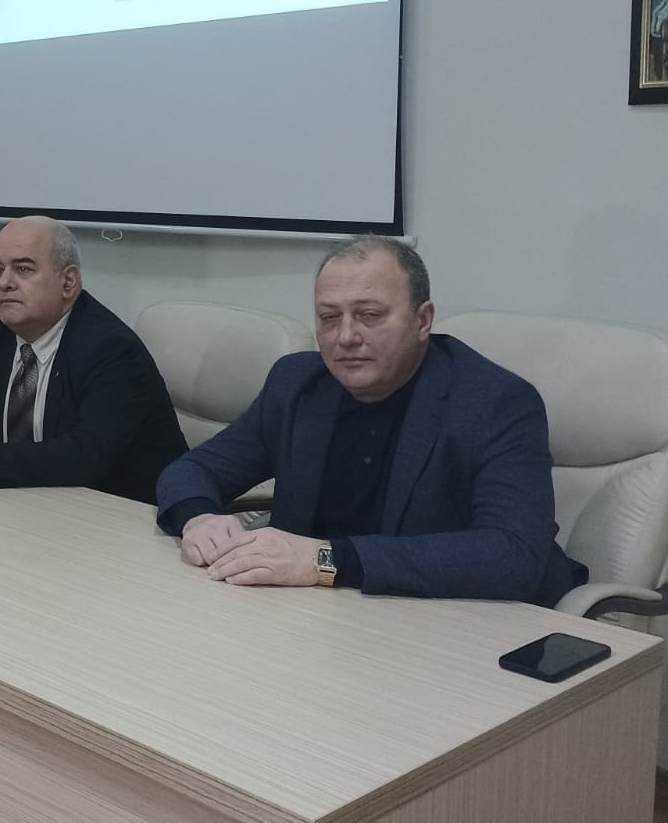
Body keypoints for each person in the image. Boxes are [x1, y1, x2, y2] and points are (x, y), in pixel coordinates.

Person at [155, 236, 586, 606]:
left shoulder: (494, 403)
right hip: (325, 614)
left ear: (422, 320)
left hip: (455, 619)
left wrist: (325, 561)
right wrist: (199, 519)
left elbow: (510, 555)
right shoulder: (298, 384)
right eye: (329, 317)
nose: (346, 336)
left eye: (369, 315)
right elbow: (193, 470)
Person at [0, 216, 187, 502]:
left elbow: (84, 458)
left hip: (120, 517)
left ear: (68, 282)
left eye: (23, 269)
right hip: (22, 505)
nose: (5, 282)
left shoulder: (112, 349)